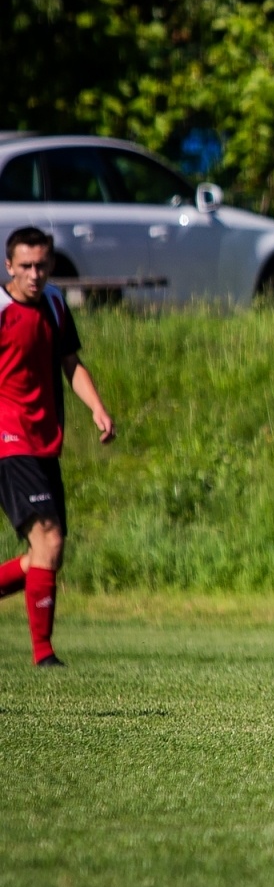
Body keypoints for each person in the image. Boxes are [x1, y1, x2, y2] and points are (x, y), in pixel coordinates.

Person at [0, 227, 115, 667]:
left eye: (42, 265)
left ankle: (43, 650)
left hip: (45, 438)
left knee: (47, 554)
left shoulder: (54, 304)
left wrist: (97, 408)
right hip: (8, 439)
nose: (35, 274)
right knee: (48, 538)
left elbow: (71, 363)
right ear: (9, 266)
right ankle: (44, 654)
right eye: (26, 266)